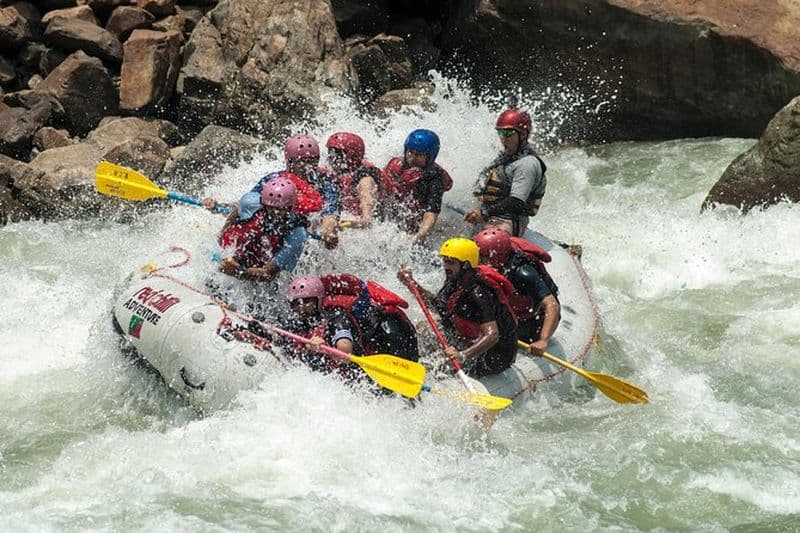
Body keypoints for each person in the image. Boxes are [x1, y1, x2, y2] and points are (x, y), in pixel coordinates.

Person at [397, 238, 517, 378]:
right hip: (467, 338)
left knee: (441, 364)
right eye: (445, 261)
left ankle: (429, 379)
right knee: (424, 329)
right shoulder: (455, 280)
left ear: (466, 265)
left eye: (451, 262)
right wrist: (411, 284)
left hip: (495, 355)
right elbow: (440, 307)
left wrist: (462, 355)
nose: (445, 266)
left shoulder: (480, 294)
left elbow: (492, 336)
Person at [205, 134, 340, 248]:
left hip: (301, 232)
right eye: (302, 161)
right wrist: (219, 206)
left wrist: (329, 233)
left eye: (312, 161)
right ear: (290, 162)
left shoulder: (327, 184)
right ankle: (224, 244)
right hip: (274, 228)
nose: (308, 166)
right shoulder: (274, 180)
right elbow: (247, 205)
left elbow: (330, 215)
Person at [473, 227, 560, 355]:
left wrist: (543, 340)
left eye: (483, 257)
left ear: (498, 257)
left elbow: (551, 305)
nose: (479, 262)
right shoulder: (491, 265)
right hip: (512, 314)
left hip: (533, 321)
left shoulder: (523, 273)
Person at [464, 108, 547, 237]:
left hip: (509, 221)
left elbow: (516, 202)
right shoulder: (506, 157)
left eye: (508, 133)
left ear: (523, 135)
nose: (503, 139)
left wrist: (484, 212)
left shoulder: (527, 164)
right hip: (489, 216)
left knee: (486, 243)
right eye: (500, 133)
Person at [216, 176, 308, 282]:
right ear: (263, 204)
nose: (274, 213)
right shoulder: (249, 202)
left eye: (279, 209)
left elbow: (268, 274)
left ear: (289, 207)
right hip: (232, 255)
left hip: (257, 275)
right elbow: (236, 211)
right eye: (270, 207)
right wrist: (221, 236)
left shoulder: (297, 235)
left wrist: (238, 272)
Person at [280, 275, 361, 377]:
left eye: (307, 301)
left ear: (319, 300)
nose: (301, 306)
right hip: (315, 378)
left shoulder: (336, 317)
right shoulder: (296, 324)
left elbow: (345, 353)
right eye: (296, 303)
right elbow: (274, 337)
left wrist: (323, 348)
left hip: (348, 377)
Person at [384, 129, 453, 244]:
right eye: (410, 152)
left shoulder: (435, 179)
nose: (413, 158)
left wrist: (419, 235)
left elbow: (431, 214)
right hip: (392, 216)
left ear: (430, 156)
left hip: (415, 224)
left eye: (420, 155)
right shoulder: (395, 165)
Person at [326, 132, 391, 228]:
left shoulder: (366, 177)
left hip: (378, 223)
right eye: (330, 152)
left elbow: (367, 220)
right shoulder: (337, 174)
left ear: (351, 156)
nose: (331, 157)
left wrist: (358, 223)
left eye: (336, 153)